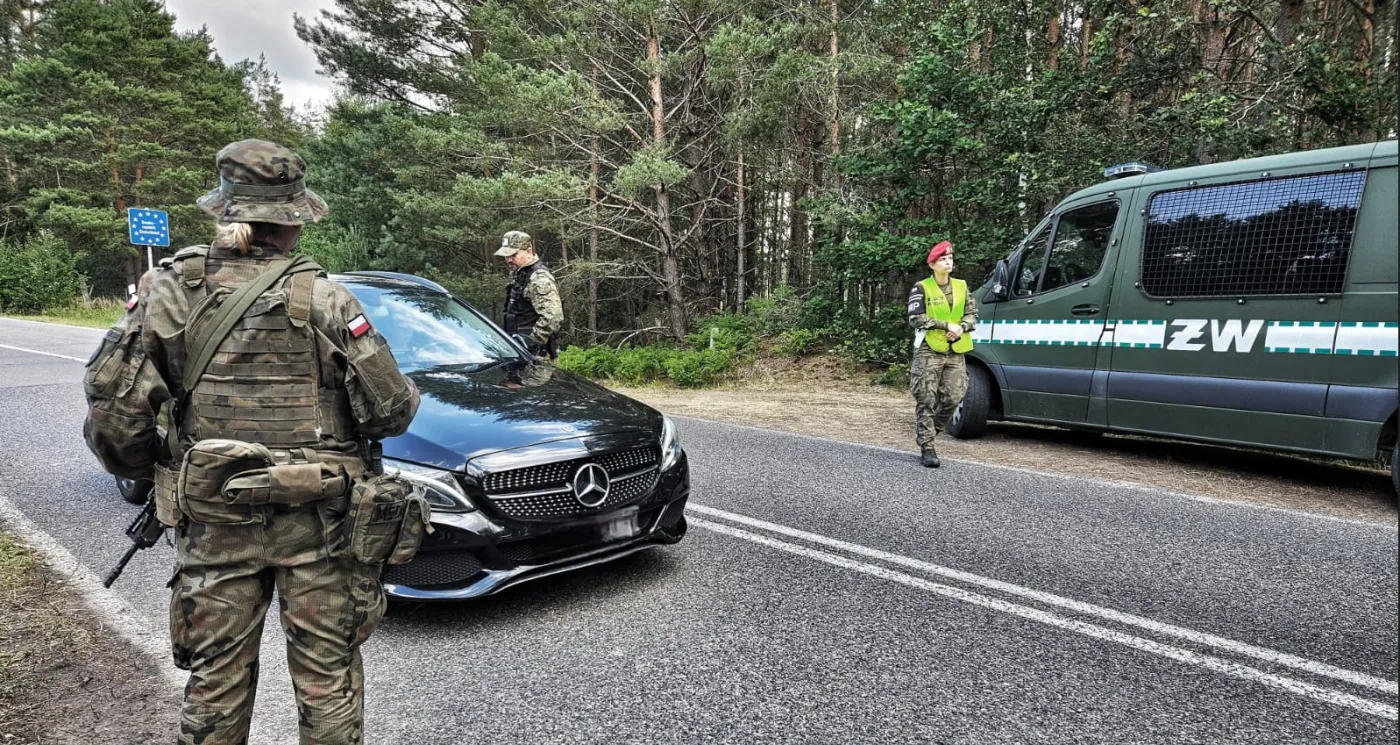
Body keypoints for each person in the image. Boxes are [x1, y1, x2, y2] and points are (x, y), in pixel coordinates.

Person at [87, 139, 420, 745]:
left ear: (224, 211)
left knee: (214, 681)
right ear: (291, 221)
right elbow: (391, 411)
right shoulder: (326, 298)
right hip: (320, 524)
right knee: (328, 679)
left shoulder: (166, 291)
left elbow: (116, 415)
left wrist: (166, 476)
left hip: (215, 523)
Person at [907, 240, 978, 468]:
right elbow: (915, 318)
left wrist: (961, 327)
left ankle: (930, 431)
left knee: (954, 396)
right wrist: (945, 325)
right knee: (926, 397)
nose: (948, 262)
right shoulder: (921, 287)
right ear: (932, 264)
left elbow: (972, 313)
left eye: (950, 258)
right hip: (929, 348)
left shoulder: (961, 286)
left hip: (955, 349)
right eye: (943, 259)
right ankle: (927, 446)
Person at [495, 230, 563, 360]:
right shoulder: (522, 275)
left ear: (529, 251)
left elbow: (553, 317)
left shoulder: (539, 278)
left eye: (513, 254)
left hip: (535, 355)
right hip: (520, 351)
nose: (509, 259)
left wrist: (531, 342)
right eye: (506, 255)